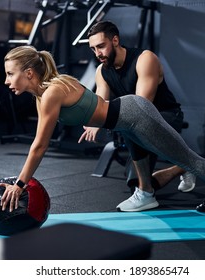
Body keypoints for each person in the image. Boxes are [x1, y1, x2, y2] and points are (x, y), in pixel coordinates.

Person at [0, 45, 205, 236]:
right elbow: (83, 108)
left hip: (134, 116)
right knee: (180, 161)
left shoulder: (52, 91)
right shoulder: (43, 94)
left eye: (11, 73)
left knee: (189, 160)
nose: (7, 80)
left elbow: (40, 146)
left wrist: (19, 185)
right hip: (124, 122)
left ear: (30, 73)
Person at [81, 20, 196, 212]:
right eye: (93, 49)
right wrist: (96, 121)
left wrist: (108, 119)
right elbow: (100, 101)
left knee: (131, 125)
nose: (97, 53)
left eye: (101, 46)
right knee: (134, 180)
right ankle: (183, 166)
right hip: (137, 120)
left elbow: (142, 105)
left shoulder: (145, 59)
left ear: (115, 40)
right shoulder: (102, 71)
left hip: (166, 114)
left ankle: (146, 194)